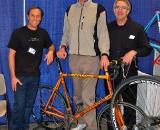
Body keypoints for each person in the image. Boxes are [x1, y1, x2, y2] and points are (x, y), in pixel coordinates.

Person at [57, 0, 110, 130]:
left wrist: (104, 53)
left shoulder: (98, 9)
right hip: (73, 58)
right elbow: (66, 33)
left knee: (88, 97)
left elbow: (103, 34)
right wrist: (63, 47)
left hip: (91, 59)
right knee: (77, 95)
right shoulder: (70, 9)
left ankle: (92, 127)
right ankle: (81, 122)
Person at [8, 6, 55, 130]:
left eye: (38, 16)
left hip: (35, 76)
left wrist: (51, 51)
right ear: (28, 16)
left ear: (40, 18)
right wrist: (13, 76)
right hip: (20, 77)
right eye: (32, 15)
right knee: (19, 106)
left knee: (29, 106)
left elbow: (52, 46)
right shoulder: (18, 33)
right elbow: (11, 55)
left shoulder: (43, 33)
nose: (35, 18)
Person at [108, 0, 152, 128]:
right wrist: (103, 56)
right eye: (117, 7)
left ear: (128, 10)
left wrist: (133, 52)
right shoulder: (107, 28)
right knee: (111, 105)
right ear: (114, 9)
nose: (120, 10)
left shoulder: (137, 28)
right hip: (111, 72)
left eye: (123, 8)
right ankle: (112, 127)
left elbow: (146, 48)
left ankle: (130, 126)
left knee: (130, 105)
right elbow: (100, 46)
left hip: (129, 73)